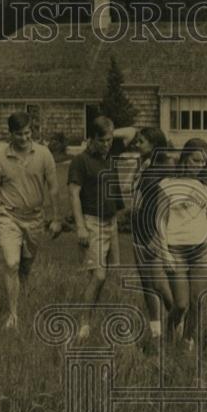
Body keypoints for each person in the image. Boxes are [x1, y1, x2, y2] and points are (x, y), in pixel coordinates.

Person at [0, 112, 62, 330]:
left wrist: (56, 218)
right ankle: (13, 315)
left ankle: (19, 292)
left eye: (28, 133)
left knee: (25, 267)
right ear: (11, 134)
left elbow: (54, 188)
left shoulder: (44, 155)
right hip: (9, 216)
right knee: (11, 263)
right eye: (19, 134)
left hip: (35, 218)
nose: (25, 138)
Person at [156, 138, 207, 349]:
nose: (200, 166)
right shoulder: (167, 185)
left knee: (197, 299)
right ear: (185, 159)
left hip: (201, 248)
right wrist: (164, 251)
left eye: (203, 162)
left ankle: (187, 340)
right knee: (181, 303)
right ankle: (170, 328)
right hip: (175, 248)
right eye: (195, 161)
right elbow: (160, 219)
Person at [68, 116, 125, 341]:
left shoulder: (110, 156)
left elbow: (132, 133)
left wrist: (112, 132)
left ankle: (93, 316)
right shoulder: (80, 161)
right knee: (98, 275)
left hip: (111, 222)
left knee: (111, 272)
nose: (107, 144)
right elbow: (73, 193)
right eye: (102, 140)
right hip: (92, 222)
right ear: (91, 139)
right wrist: (80, 227)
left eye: (109, 140)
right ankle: (83, 323)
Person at [128, 127, 174, 344]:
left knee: (158, 283)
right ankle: (156, 330)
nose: (137, 144)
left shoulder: (166, 167)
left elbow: (169, 203)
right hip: (138, 229)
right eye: (137, 141)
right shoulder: (144, 165)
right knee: (146, 281)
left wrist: (161, 233)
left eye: (142, 141)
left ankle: (178, 323)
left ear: (155, 145)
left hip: (153, 230)